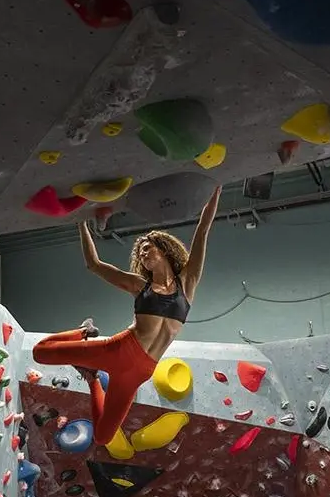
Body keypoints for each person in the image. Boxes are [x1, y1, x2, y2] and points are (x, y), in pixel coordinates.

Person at [31, 186, 222, 446]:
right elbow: (94, 265)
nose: (143, 254)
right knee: (40, 352)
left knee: (102, 437)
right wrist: (81, 223)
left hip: (142, 371)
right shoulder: (139, 286)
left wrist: (216, 187)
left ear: (164, 250)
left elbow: (203, 228)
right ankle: (85, 331)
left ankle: (92, 379)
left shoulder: (187, 283)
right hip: (120, 351)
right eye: (140, 252)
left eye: (148, 248)